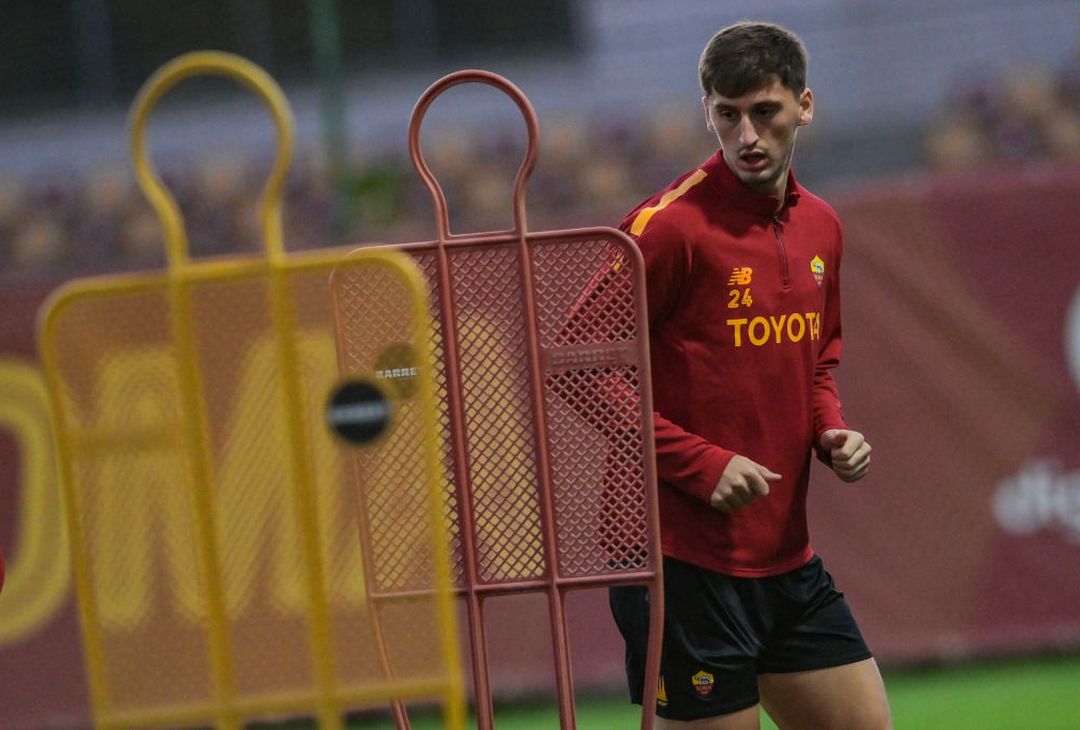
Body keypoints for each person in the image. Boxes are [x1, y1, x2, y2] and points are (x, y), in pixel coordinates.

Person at [609, 21, 892, 729]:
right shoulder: (666, 227)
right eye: (727, 115)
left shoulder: (823, 225)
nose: (747, 136)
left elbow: (818, 357)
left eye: (764, 112)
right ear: (707, 112)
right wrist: (701, 464)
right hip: (680, 561)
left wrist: (831, 431)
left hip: (784, 557)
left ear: (804, 105)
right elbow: (577, 371)